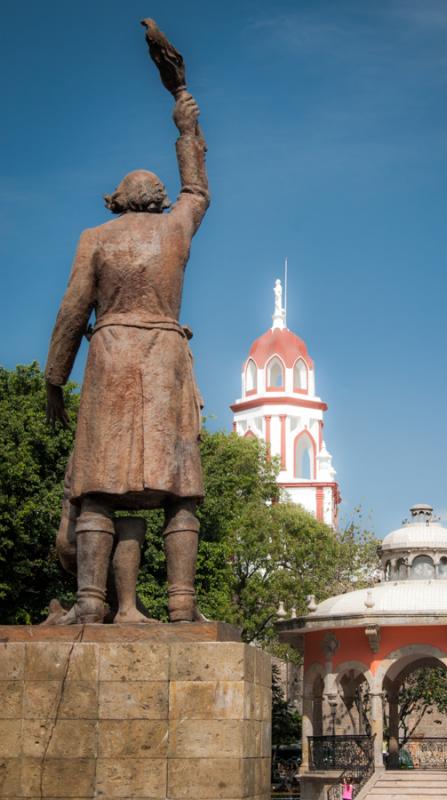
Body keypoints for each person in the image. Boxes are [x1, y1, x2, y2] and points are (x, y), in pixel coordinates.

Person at [45, 59, 209, 624]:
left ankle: (91, 601)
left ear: (117, 199)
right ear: (159, 199)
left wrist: (52, 382)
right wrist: (184, 116)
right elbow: (198, 189)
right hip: (164, 362)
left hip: (111, 358)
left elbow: (71, 312)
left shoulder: (95, 237)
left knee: (99, 487)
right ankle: (183, 605)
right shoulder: (176, 228)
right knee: (179, 488)